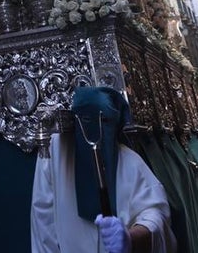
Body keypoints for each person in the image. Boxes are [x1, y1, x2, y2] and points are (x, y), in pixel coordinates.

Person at [31, 86, 175, 253]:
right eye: (84, 120)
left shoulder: (131, 163)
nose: (93, 132)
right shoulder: (56, 153)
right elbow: (43, 218)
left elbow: (156, 215)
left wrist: (131, 238)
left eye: (104, 121)